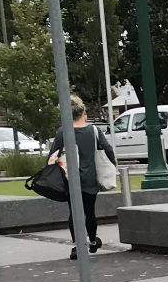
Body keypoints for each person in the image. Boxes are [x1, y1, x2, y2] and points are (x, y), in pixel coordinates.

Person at [47, 94, 120, 257]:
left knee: (74, 213)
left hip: (70, 179)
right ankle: (93, 241)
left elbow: (52, 155)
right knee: (89, 212)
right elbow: (108, 150)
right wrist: (112, 165)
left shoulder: (63, 132)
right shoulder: (94, 130)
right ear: (83, 112)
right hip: (90, 179)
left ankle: (78, 246)